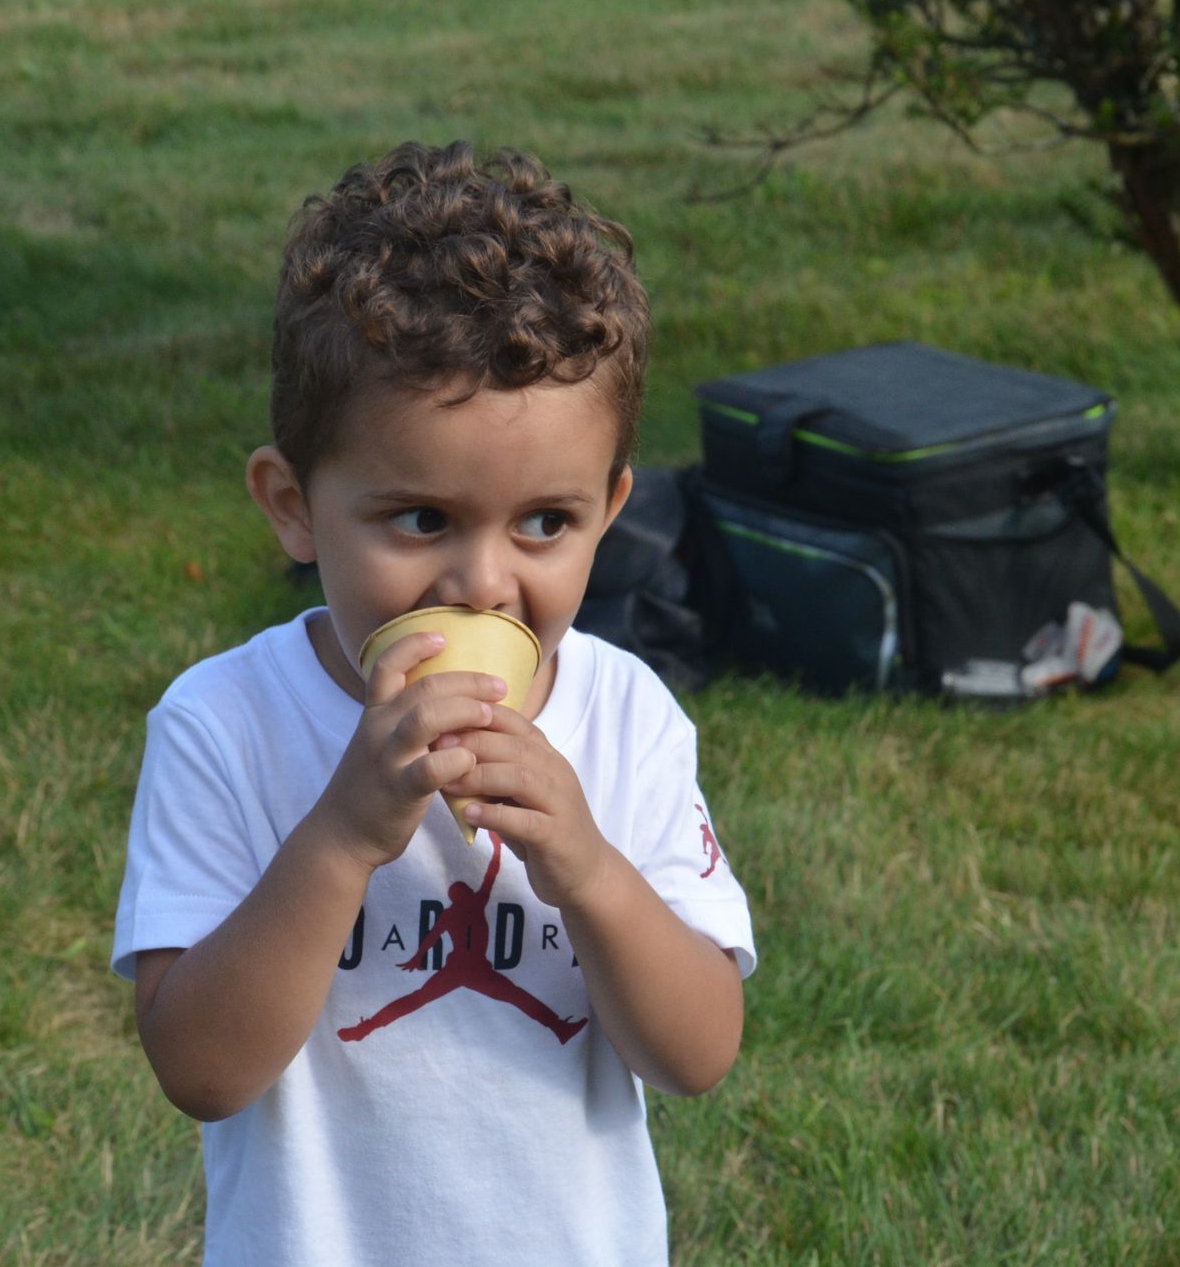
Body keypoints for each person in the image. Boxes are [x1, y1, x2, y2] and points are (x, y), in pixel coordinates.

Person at [114, 140, 756, 1266]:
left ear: (610, 512)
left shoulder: (625, 717)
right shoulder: (225, 725)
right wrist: (341, 836)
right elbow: (203, 1071)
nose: (483, 583)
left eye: (545, 524)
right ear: (295, 507)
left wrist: (590, 870)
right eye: (420, 520)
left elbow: (698, 1053)